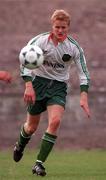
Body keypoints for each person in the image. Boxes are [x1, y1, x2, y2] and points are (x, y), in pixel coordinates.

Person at [13, 9, 90, 176]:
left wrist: (84, 95)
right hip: (38, 84)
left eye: (63, 27)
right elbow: (24, 62)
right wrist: (28, 85)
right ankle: (20, 145)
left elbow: (84, 72)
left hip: (58, 87)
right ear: (52, 26)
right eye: (57, 27)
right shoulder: (38, 42)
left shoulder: (74, 47)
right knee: (31, 127)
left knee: (55, 121)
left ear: (68, 27)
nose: (60, 31)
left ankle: (38, 164)